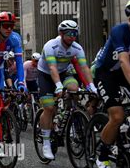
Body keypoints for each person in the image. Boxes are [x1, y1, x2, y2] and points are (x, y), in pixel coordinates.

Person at [37, 20, 96, 160]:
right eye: (69, 33)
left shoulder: (76, 48)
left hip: (63, 73)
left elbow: (84, 68)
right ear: (61, 33)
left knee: (74, 89)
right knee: (49, 108)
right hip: (45, 75)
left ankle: (72, 116)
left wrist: (91, 86)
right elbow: (52, 68)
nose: (73, 36)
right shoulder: (51, 45)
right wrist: (57, 85)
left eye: (75, 33)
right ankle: (45, 142)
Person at [91, 0, 130, 168]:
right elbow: (124, 61)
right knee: (117, 116)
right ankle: (103, 154)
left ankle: (127, 138)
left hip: (125, 74)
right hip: (105, 73)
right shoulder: (120, 31)